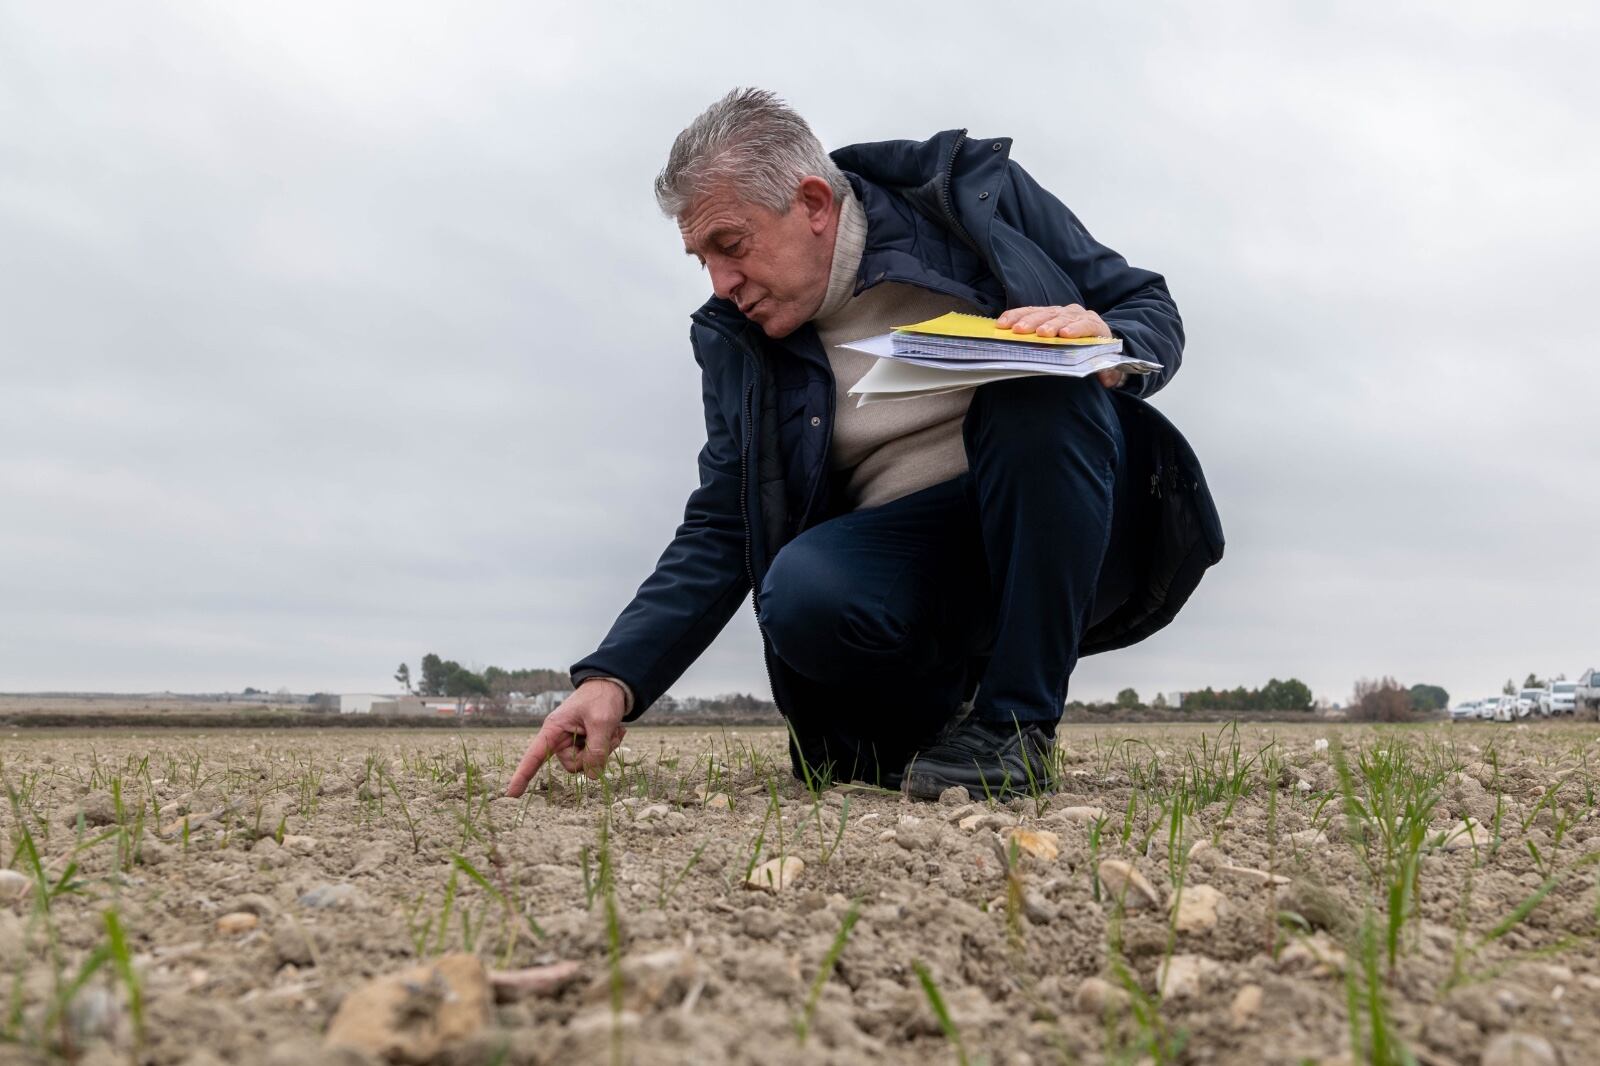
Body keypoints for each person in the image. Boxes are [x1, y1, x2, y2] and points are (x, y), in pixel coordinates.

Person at [507, 89, 1222, 802]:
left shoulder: (974, 195)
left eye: (731, 245)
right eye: (702, 261)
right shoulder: (738, 344)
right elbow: (725, 519)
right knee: (800, 589)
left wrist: (1108, 342)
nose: (722, 285)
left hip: (1076, 513)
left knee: (1032, 382)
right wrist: (613, 680)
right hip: (912, 566)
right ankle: (935, 724)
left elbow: (1147, 304)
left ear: (815, 204)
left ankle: (1015, 727)